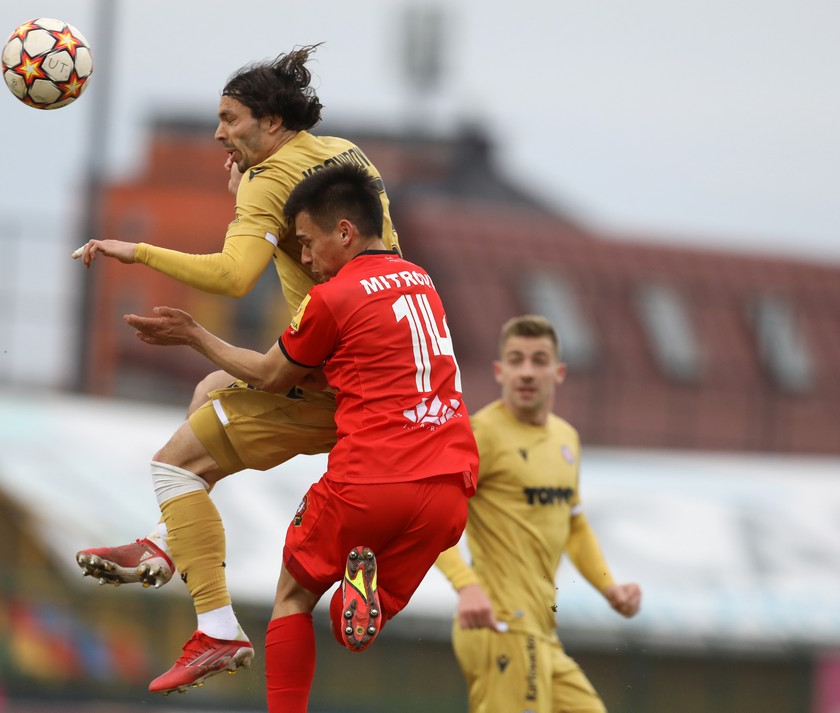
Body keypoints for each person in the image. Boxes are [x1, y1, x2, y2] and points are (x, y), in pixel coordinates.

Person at [71, 45, 402, 693]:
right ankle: (168, 541)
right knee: (211, 389)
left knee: (174, 464)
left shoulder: (266, 179)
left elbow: (232, 275)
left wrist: (134, 250)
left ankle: (218, 628)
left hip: (329, 369)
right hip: (385, 360)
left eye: (231, 119)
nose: (219, 133)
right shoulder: (346, 152)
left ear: (271, 123)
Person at [125, 164, 478, 712]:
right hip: (450, 487)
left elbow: (270, 375)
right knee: (354, 620)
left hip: (371, 480)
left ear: (344, 232)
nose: (305, 257)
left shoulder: (333, 298)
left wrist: (194, 335)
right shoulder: (422, 280)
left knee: (293, 595)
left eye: (309, 242)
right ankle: (364, 597)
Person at [434, 315, 642, 713]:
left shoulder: (566, 438)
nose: (527, 372)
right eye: (516, 360)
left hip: (541, 632)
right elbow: (429, 514)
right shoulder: (482, 435)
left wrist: (609, 587)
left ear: (559, 372)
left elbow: (575, 523)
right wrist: (466, 585)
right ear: (500, 370)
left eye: (539, 360)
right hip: (501, 624)